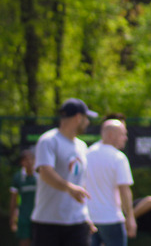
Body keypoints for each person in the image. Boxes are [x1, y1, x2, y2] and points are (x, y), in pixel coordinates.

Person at [32, 98, 97, 246]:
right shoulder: (49, 140)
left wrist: (86, 215)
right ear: (78, 117)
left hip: (77, 221)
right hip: (48, 221)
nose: (88, 122)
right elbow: (45, 172)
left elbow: (81, 183)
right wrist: (69, 188)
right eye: (86, 118)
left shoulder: (82, 146)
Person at [84, 119, 137, 245]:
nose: (125, 138)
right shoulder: (118, 157)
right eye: (122, 134)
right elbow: (124, 190)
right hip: (112, 219)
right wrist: (130, 217)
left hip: (89, 219)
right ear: (110, 135)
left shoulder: (86, 154)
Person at [9, 148, 36, 246]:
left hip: (38, 216)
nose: (29, 162)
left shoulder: (40, 176)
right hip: (23, 217)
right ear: (22, 162)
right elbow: (13, 199)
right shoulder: (18, 177)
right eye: (26, 160)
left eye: (31, 159)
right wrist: (13, 218)